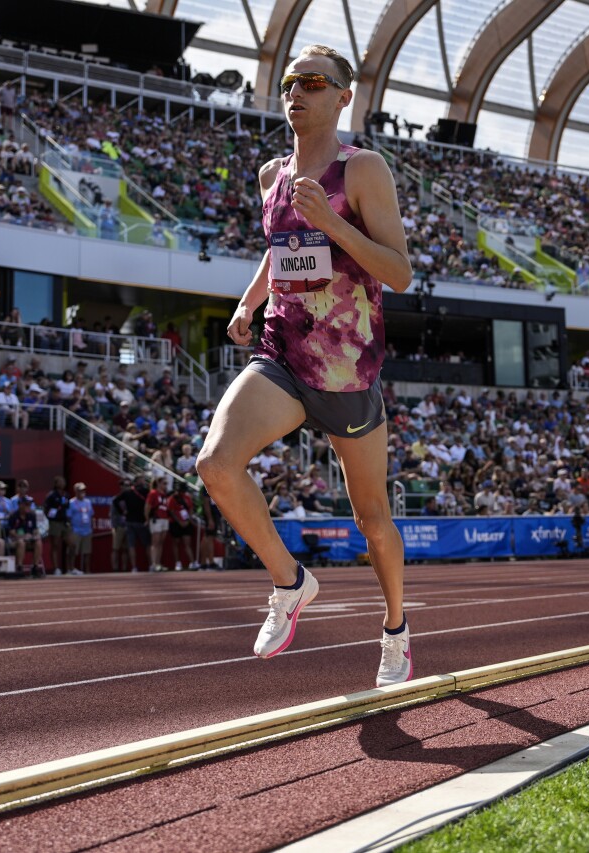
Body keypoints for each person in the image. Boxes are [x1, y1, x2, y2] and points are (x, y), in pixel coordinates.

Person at [196, 44, 414, 687]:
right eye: (291, 82)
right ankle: (290, 582)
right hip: (284, 352)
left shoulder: (364, 169)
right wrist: (247, 300)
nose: (298, 92)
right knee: (215, 463)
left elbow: (398, 273)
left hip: (349, 372)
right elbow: (280, 250)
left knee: (372, 519)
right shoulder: (271, 175)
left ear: (343, 97)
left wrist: (334, 223)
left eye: (314, 82)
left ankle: (396, 631)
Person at [112, 474, 150, 572]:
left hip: (133, 522)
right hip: (135, 523)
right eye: (142, 480)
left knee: (133, 546)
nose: (143, 482)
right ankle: (142, 566)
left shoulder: (134, 492)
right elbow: (115, 501)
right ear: (137, 482)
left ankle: (135, 567)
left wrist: (123, 512)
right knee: (135, 546)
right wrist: (122, 512)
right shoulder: (141, 492)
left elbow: (116, 501)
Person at [7, 498, 45, 577]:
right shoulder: (14, 516)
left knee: (38, 541)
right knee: (21, 542)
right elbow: (11, 532)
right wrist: (22, 536)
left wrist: (35, 535)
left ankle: (35, 567)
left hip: (29, 540)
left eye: (29, 505)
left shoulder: (32, 515)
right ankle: (19, 567)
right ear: (20, 505)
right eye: (26, 505)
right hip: (15, 540)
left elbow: (35, 530)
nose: (28, 507)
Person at [166, 479, 198, 569]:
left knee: (187, 542)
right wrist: (180, 522)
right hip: (175, 523)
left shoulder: (187, 497)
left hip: (186, 522)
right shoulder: (172, 498)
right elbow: (171, 511)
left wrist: (187, 520)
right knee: (175, 542)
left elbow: (190, 509)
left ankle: (192, 562)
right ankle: (177, 563)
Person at [43, 475, 70, 574]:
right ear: (56, 483)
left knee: (71, 544)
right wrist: (50, 518)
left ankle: (70, 568)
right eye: (61, 481)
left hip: (64, 522)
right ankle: (56, 568)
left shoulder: (66, 495)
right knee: (55, 545)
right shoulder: (51, 495)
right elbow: (45, 509)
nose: (63, 483)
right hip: (55, 522)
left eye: (64, 481)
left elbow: (67, 508)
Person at [66, 483, 94, 575]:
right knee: (73, 550)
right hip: (76, 530)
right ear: (76, 491)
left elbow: (91, 515)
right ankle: (70, 569)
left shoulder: (88, 502)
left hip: (87, 530)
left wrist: (91, 527)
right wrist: (70, 530)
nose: (82, 492)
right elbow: (68, 517)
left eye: (83, 490)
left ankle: (88, 570)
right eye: (80, 490)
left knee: (87, 551)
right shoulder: (71, 502)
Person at [146, 475, 171, 571]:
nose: (166, 485)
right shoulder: (153, 493)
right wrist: (147, 518)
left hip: (164, 519)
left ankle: (158, 563)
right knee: (155, 542)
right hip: (156, 519)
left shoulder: (164, 494)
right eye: (164, 483)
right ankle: (153, 564)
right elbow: (147, 507)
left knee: (161, 542)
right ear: (159, 484)